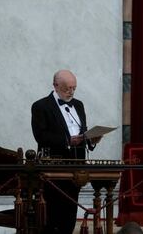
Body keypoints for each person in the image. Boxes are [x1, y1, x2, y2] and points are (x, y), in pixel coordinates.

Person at [31, 69, 101, 234]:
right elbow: (41, 136)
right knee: (53, 213)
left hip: (77, 167)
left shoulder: (78, 105)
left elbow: (82, 130)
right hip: (54, 167)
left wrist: (90, 139)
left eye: (74, 88)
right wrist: (67, 141)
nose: (71, 92)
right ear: (55, 86)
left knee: (70, 212)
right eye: (67, 88)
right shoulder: (41, 106)